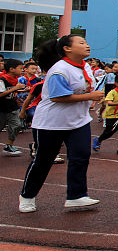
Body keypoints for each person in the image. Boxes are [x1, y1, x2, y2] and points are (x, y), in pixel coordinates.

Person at [18, 35, 103, 213]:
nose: (87, 46)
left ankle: (76, 195)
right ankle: (27, 195)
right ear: (67, 48)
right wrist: (90, 96)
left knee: (80, 156)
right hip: (52, 123)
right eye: (81, 43)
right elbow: (58, 97)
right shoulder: (59, 70)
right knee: (44, 160)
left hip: (78, 121)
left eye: (86, 42)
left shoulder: (85, 66)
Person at [0, 59, 25, 156]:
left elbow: (13, 93)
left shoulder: (16, 80)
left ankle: (9, 145)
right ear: (11, 69)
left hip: (12, 107)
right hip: (2, 108)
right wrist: (15, 88)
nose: (22, 70)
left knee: (17, 125)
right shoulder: (2, 80)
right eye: (20, 68)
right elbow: (1, 94)